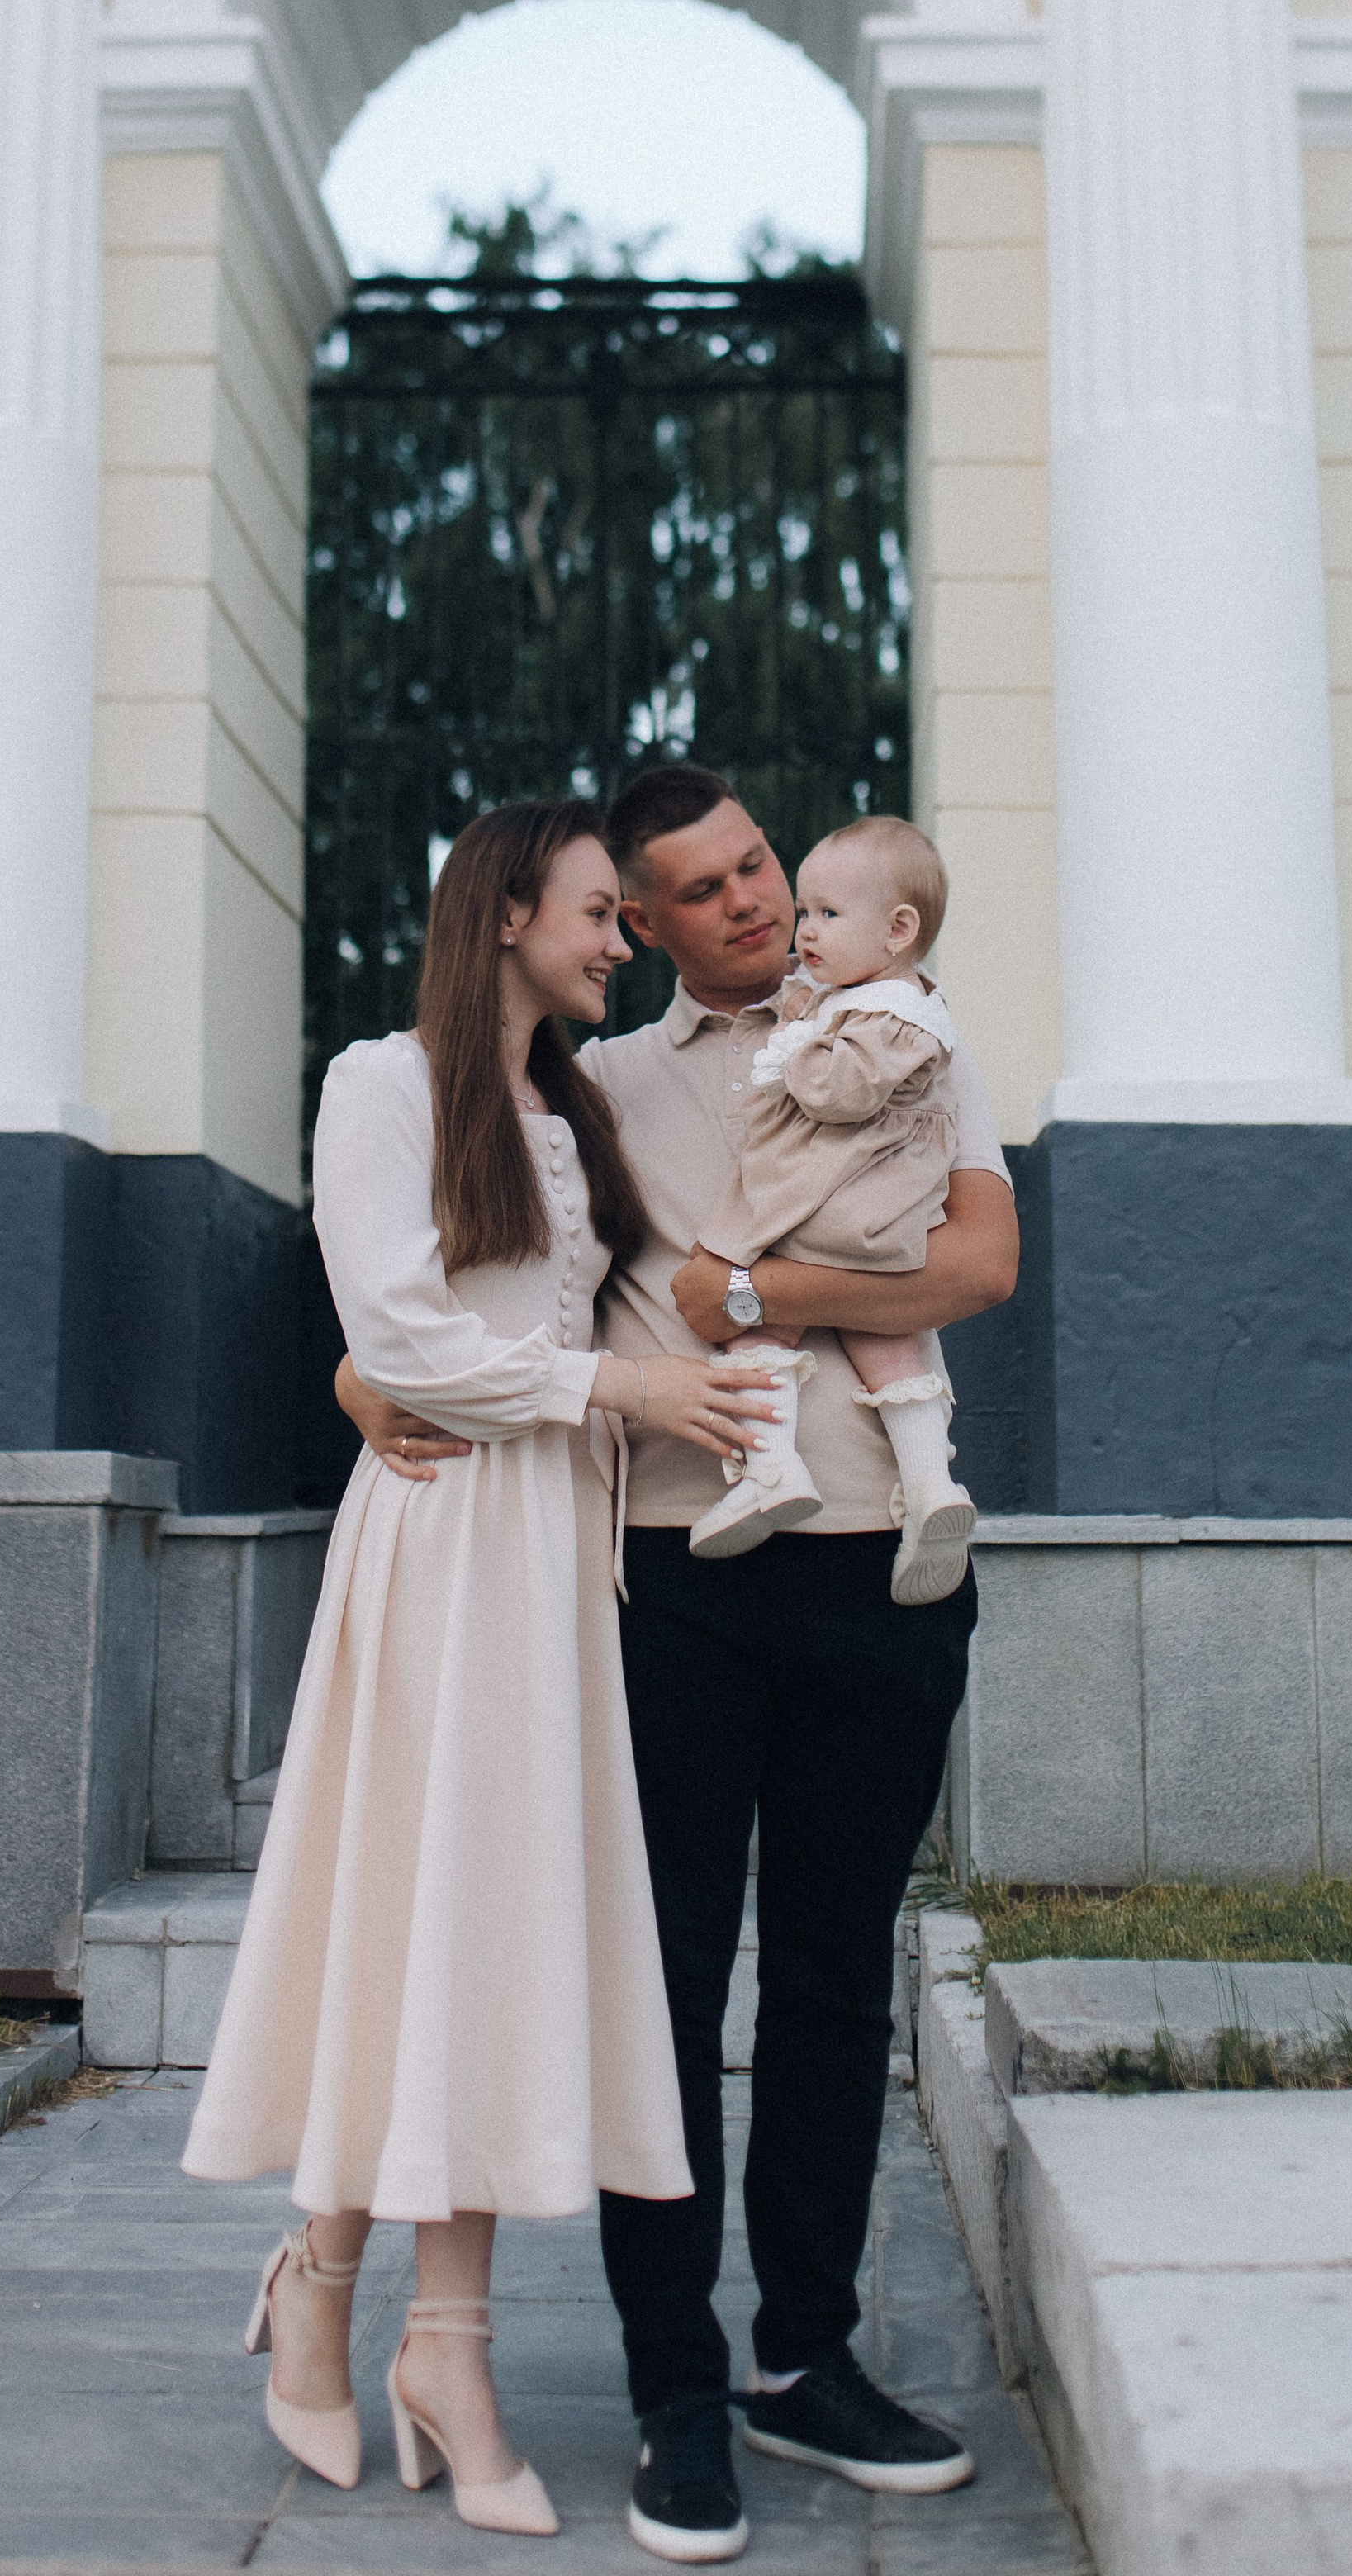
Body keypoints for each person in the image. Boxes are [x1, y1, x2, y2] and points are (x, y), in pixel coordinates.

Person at [343, 766, 1019, 2564]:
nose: (750, 900)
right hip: (670, 1581)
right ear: (633, 923)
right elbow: (485, 1284)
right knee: (663, 1987)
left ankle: (807, 2359)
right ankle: (675, 2391)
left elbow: (979, 1262)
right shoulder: (599, 1087)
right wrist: (358, 1376)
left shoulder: (911, 1028)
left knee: (833, 1980)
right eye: (703, 888)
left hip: (885, 1563)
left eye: (760, 866)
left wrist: (756, 1298)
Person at [185, 799, 779, 2541]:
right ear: (508, 911)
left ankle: (426, 2335)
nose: (619, 939)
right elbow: (397, 1330)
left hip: (559, 1556)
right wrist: (614, 1391)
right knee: (417, 1910)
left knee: (493, 1930)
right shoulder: (384, 1083)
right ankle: (347, 2294)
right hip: (447, 1542)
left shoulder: (572, 1112)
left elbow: (526, 1331)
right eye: (598, 910)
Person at [689, 814, 977, 1603]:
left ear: (898, 931)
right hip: (883, 1221)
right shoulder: (885, 1002)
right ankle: (930, 1484)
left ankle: (771, 1468)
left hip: (833, 1203)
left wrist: (796, 1035)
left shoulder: (890, 1014)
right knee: (886, 1341)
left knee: (759, 1323)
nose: (805, 930)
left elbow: (838, 1094)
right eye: (806, 910)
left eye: (828, 914)